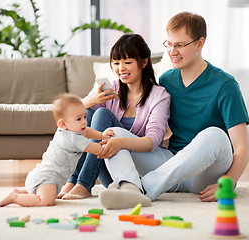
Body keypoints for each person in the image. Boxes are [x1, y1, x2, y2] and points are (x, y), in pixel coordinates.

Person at [99, 12, 249, 209]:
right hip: (171, 164)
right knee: (115, 135)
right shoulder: (167, 80)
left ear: (199, 43)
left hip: (205, 174)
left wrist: (228, 182)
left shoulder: (225, 85)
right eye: (168, 44)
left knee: (216, 135)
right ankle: (131, 189)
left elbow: (242, 148)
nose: (172, 51)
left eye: (179, 45)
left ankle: (144, 188)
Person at [58, 33, 171, 207]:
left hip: (138, 172)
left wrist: (120, 143)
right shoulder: (112, 89)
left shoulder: (159, 96)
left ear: (143, 62)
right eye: (116, 63)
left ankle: (84, 184)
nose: (121, 68)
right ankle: (74, 180)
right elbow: (70, 114)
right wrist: (94, 100)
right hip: (110, 168)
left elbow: (152, 142)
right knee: (85, 115)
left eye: (127, 62)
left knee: (103, 115)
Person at [0, 93, 114, 207]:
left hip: (40, 174)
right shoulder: (74, 140)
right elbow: (98, 150)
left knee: (43, 193)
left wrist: (101, 135)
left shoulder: (65, 131)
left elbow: (87, 131)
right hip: (47, 178)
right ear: (62, 123)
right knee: (45, 201)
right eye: (78, 119)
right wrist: (113, 146)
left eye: (84, 116)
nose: (84, 121)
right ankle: (15, 198)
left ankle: (20, 192)